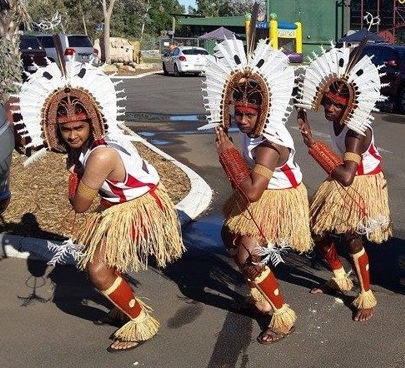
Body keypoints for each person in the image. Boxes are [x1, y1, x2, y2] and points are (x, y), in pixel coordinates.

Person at [13, 52, 184, 352]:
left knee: (97, 268)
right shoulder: (99, 138)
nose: (72, 135)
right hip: (122, 204)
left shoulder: (100, 155)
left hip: (138, 209)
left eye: (78, 128)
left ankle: (140, 321)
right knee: (106, 260)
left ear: (91, 123)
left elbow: (79, 205)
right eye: (65, 129)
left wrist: (72, 172)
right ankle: (123, 306)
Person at [203, 39, 313, 344]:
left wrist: (228, 154)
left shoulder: (269, 145)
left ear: (263, 113)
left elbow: (251, 192)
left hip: (279, 199)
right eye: (238, 113)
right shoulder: (252, 129)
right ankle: (259, 299)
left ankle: (282, 315)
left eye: (249, 115)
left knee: (250, 255)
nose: (242, 120)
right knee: (229, 235)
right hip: (260, 191)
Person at [295, 44, 391, 322]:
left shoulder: (356, 132)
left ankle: (366, 294)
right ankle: (339, 277)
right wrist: (304, 120)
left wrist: (314, 146)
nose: (330, 108)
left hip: (361, 182)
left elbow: (348, 176)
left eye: (337, 105)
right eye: (327, 101)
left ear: (350, 106)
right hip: (342, 175)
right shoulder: (337, 118)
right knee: (316, 227)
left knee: (351, 237)